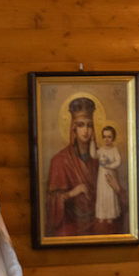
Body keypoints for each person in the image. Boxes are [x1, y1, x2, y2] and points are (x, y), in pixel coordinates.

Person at [46, 96, 100, 237]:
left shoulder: (100, 159)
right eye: (81, 125)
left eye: (89, 125)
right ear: (73, 129)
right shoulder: (59, 160)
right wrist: (72, 193)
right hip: (71, 221)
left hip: (97, 218)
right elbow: (51, 200)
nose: (85, 130)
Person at [95, 125, 123, 222]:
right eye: (104, 137)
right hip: (102, 176)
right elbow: (93, 155)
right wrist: (91, 143)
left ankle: (110, 215)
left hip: (111, 176)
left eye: (109, 137)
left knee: (110, 194)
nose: (106, 139)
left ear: (113, 138)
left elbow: (118, 161)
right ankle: (102, 215)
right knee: (102, 193)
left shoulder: (114, 149)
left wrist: (110, 166)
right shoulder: (101, 150)